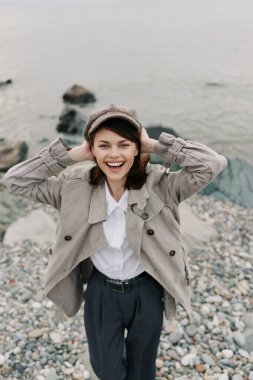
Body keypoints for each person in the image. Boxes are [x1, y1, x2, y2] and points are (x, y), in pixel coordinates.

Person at [3, 103, 228, 380]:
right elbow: (15, 180)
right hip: (101, 293)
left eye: (124, 144)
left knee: (142, 369)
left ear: (137, 148)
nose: (114, 154)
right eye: (104, 145)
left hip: (146, 292)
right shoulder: (72, 185)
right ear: (91, 149)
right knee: (107, 370)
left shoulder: (161, 185)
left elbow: (213, 164)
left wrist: (156, 145)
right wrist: (68, 156)